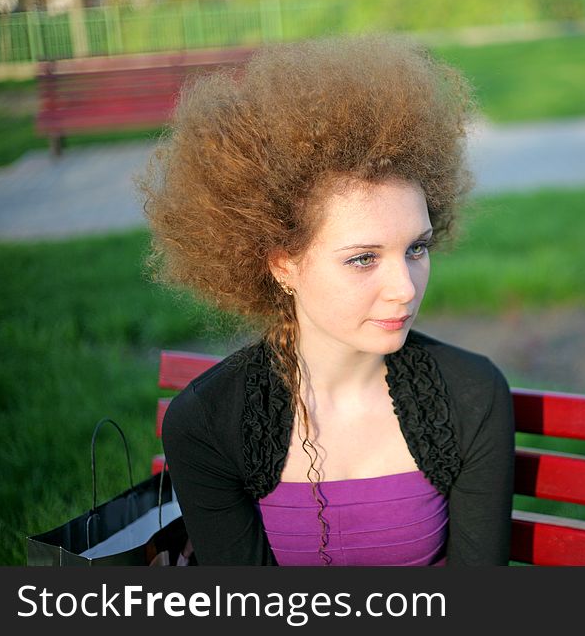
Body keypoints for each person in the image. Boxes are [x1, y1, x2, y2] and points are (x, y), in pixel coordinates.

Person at [139, 36, 515, 566]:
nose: (405, 288)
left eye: (417, 248)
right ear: (282, 263)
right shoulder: (207, 423)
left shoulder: (472, 396)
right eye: (363, 258)